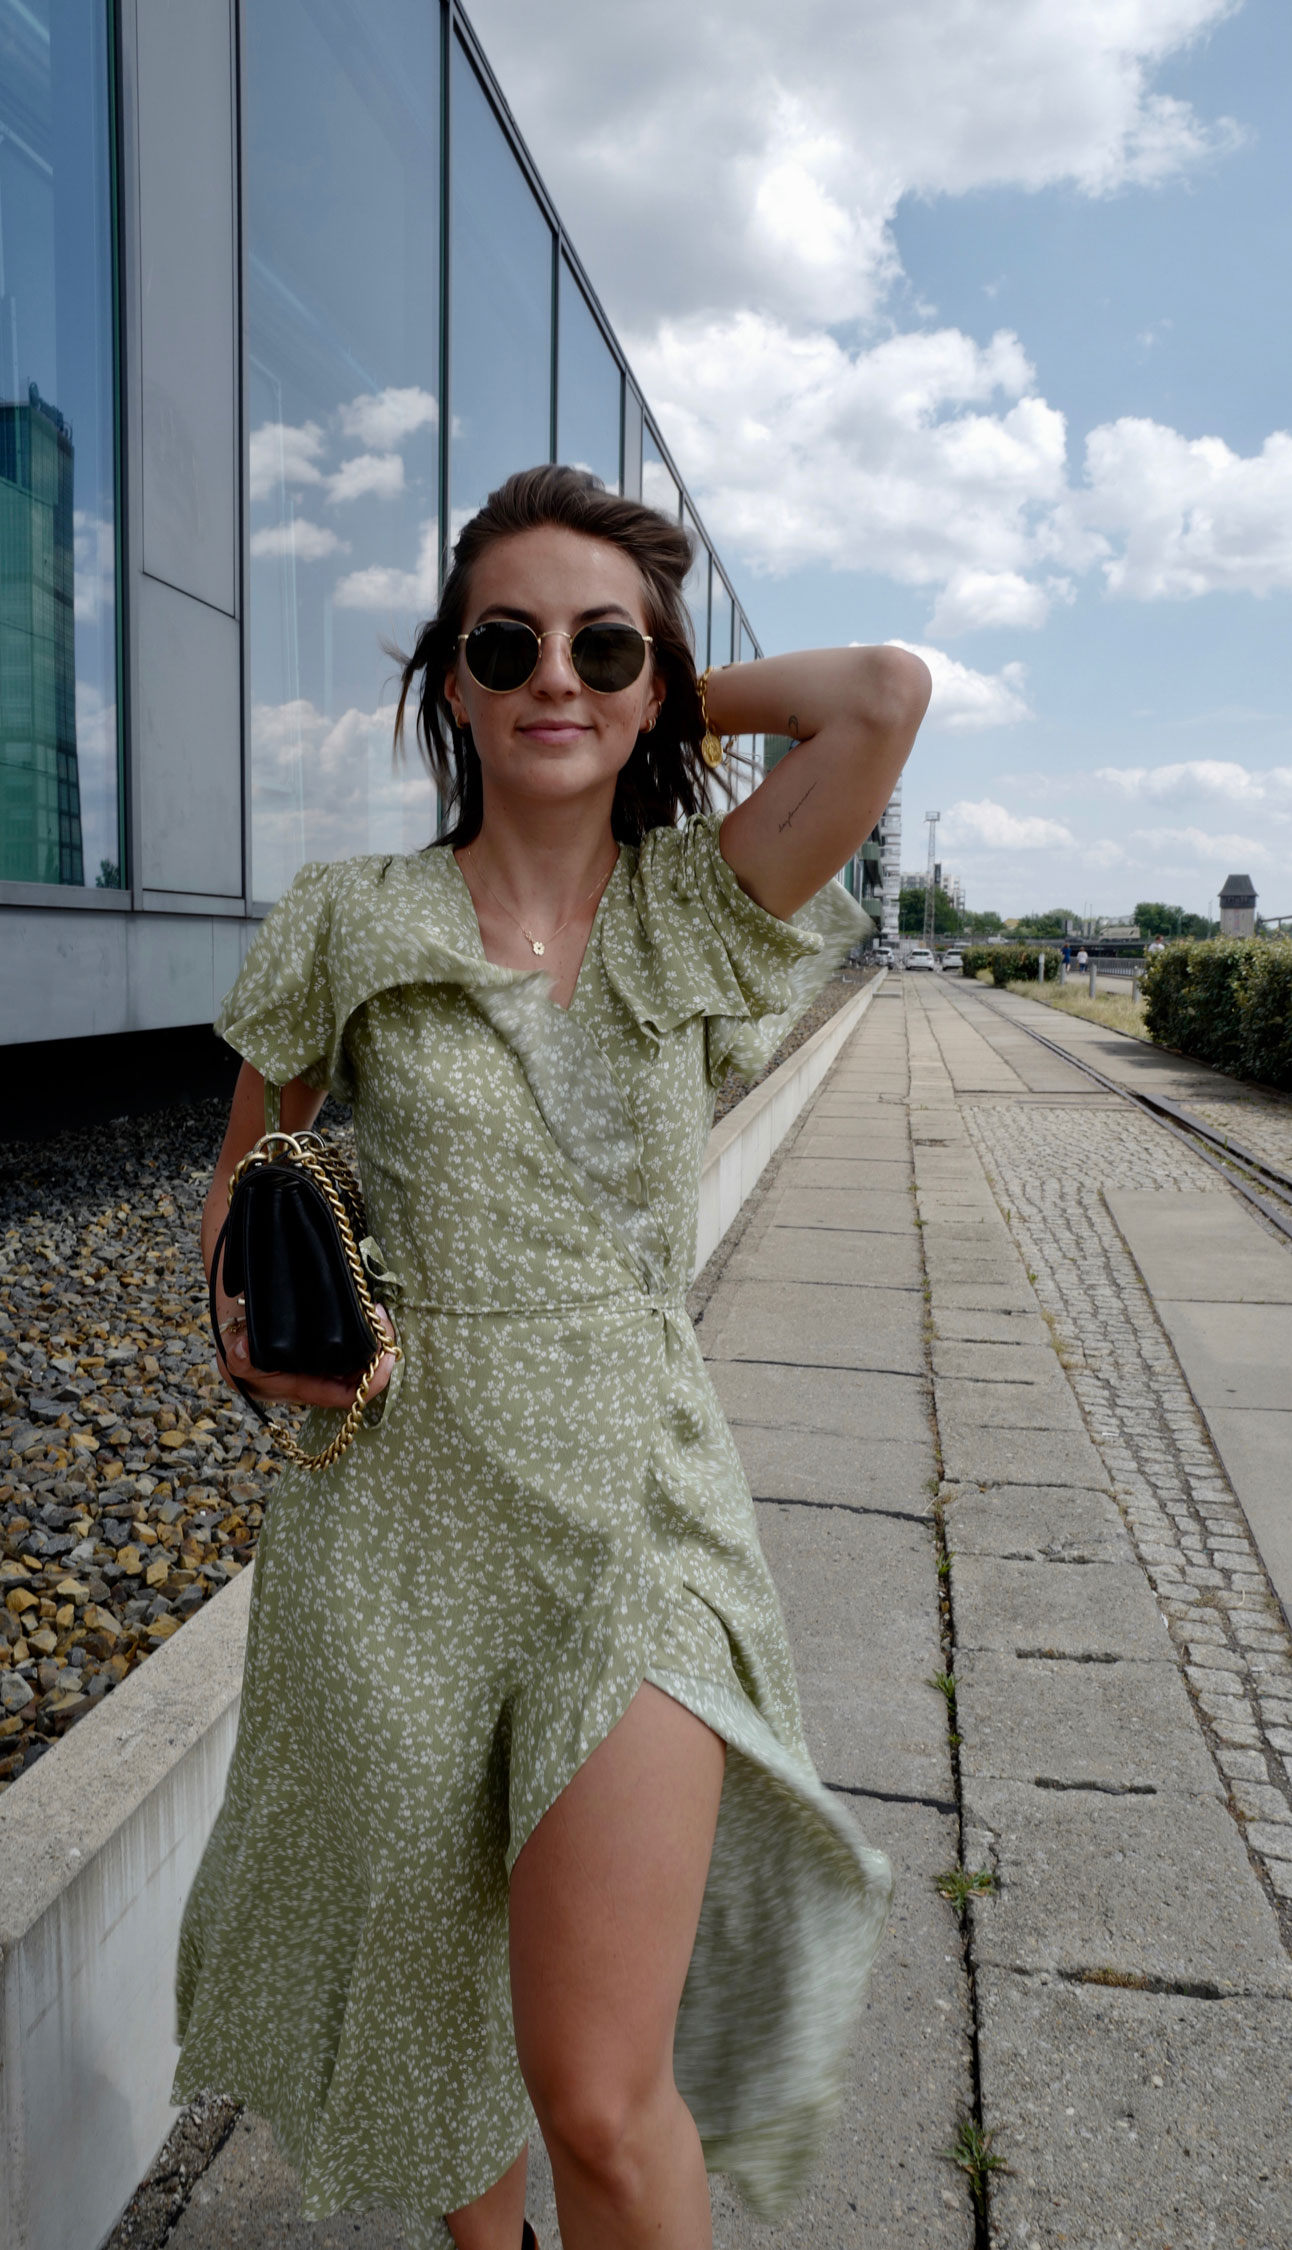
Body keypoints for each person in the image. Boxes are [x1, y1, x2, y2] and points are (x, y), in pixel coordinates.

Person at [173, 466, 930, 2249]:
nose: (553, 678)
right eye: (505, 642)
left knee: (598, 2086)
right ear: (450, 678)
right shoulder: (349, 918)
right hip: (398, 1526)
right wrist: (260, 1328)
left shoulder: (693, 907)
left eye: (602, 646)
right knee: (444, 2032)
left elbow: (881, 694)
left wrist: (657, 673)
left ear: (653, 676)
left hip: (633, 1519)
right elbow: (239, 1191)